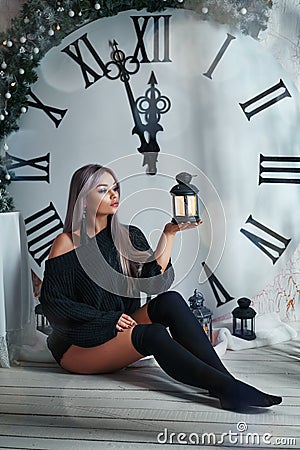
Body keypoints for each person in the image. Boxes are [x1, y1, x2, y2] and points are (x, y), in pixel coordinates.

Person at [39, 164, 282, 411]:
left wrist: (169, 234)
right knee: (153, 333)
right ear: (82, 200)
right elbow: (53, 305)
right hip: (78, 347)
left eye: (115, 188)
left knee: (171, 300)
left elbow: (156, 283)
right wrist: (106, 319)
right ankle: (229, 389)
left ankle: (227, 384)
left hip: (116, 330)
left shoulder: (128, 236)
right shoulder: (67, 242)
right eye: (103, 190)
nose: (114, 195)